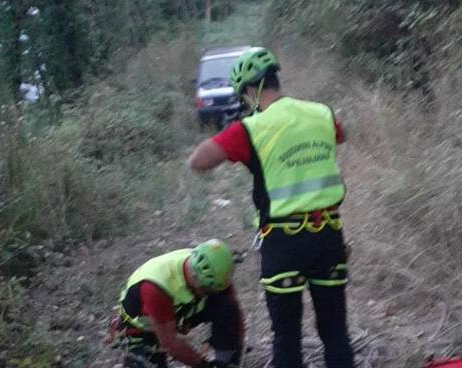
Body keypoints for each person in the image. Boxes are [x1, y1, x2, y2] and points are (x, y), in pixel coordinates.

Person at [188, 47, 354, 368]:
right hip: (329, 235)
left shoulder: (251, 129)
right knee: (335, 331)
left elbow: (198, 161)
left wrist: (240, 137)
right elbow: (341, 134)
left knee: (286, 335)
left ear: (252, 89)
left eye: (244, 95)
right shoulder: (321, 113)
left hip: (283, 242)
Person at [109, 239, 244, 368]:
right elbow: (170, 343)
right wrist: (203, 365)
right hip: (143, 328)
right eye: (208, 290)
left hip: (179, 312)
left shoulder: (217, 270)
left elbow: (235, 312)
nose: (212, 292)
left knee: (226, 307)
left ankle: (226, 362)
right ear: (197, 280)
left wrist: (235, 348)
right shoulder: (155, 289)